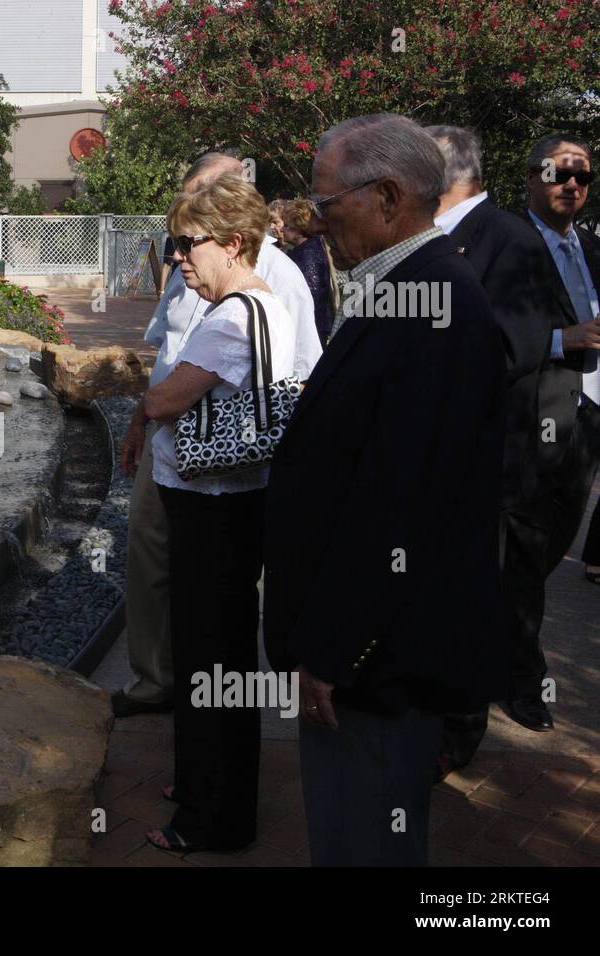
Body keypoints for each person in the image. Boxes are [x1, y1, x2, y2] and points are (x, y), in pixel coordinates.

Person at [263, 114, 506, 866]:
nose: (317, 222)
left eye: (327, 204)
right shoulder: (399, 288)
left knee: (367, 837)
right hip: (360, 648)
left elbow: (403, 502)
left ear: (389, 197)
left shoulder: (437, 305)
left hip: (377, 660)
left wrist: (336, 648)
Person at [138, 172, 320, 852]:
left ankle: (209, 820)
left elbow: (163, 402)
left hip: (210, 510)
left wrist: (147, 401)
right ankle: (204, 790)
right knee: (227, 662)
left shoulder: (228, 319)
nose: (178, 257)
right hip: (241, 501)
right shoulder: (269, 302)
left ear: (234, 242)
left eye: (187, 244)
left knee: (210, 663)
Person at [424, 126, 581, 769]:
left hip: (495, 452)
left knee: (482, 589)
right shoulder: (444, 236)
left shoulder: (505, 238)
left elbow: (516, 343)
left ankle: (456, 736)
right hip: (453, 451)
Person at [519, 133, 600, 724]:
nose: (571, 184)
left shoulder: (589, 247)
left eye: (583, 177)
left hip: (587, 419)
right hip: (534, 418)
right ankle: (522, 677)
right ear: (533, 177)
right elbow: (481, 334)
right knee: (525, 552)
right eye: (559, 172)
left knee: (552, 547)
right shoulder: (511, 245)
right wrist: (556, 340)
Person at [284, 198, 340, 344]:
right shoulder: (305, 251)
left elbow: (309, 297)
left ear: (299, 229)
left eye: (287, 226)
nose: (282, 229)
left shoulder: (308, 255)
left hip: (312, 330)